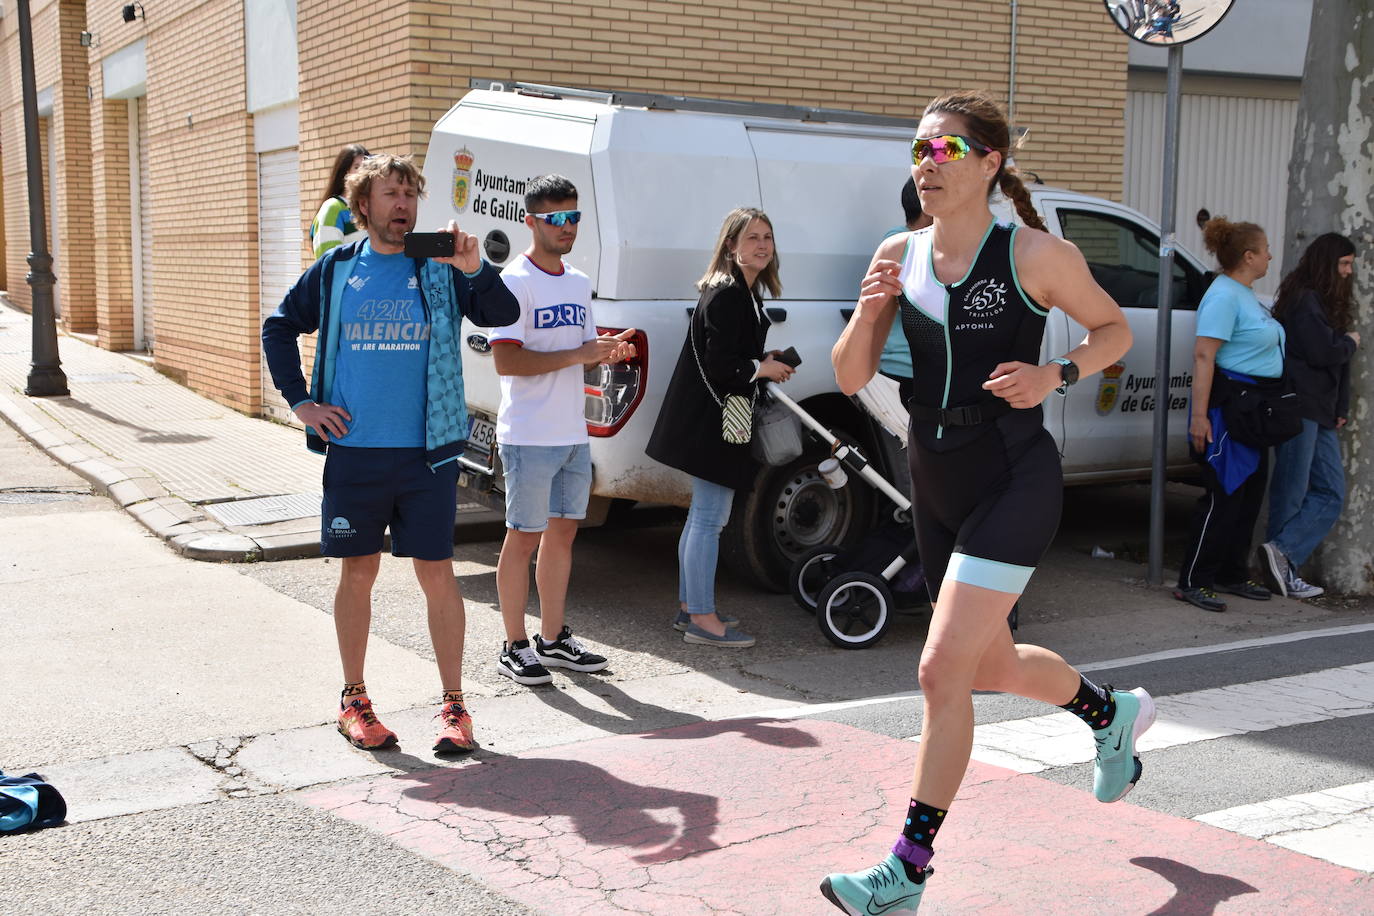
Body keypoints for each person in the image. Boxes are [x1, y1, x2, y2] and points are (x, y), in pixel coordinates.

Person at [821, 91, 1144, 915]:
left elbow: (1114, 332)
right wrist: (869, 309)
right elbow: (852, 375)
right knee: (989, 664)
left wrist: (1056, 375)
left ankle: (906, 872)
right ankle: (1109, 714)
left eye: (947, 152)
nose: (928, 165)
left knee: (940, 670)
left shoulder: (1035, 254)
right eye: (920, 151)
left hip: (1012, 474)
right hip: (934, 478)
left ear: (990, 164)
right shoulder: (899, 250)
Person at [262, 154, 519, 753]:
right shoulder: (335, 270)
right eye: (390, 193)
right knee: (359, 570)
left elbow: (503, 315)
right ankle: (354, 701)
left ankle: (456, 708)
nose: (403, 204)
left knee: (437, 572)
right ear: (364, 206)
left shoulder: (439, 267)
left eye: (410, 194)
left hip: (427, 454)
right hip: (355, 452)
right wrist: (302, 403)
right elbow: (278, 326)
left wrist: (475, 268)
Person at [490, 175, 637, 686]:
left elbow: (579, 353)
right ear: (530, 221)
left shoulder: (576, 281)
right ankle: (513, 644)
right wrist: (580, 352)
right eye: (555, 218)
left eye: (573, 216)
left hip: (571, 434)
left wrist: (605, 350)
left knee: (563, 535)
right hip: (528, 435)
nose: (567, 226)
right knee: (523, 537)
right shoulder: (514, 281)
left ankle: (551, 640)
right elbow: (507, 362)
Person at [646, 207, 795, 648]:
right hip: (714, 423)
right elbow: (721, 364)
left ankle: (692, 608)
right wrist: (762, 368)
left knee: (702, 518)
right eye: (751, 238)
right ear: (731, 246)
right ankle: (702, 620)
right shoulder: (728, 293)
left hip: (716, 419)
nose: (762, 245)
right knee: (709, 520)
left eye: (767, 237)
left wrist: (762, 367)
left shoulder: (742, 291)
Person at [1173, 217, 1284, 613]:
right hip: (1229, 410)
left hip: (1255, 410)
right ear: (1249, 256)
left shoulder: (1243, 293)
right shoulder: (1223, 295)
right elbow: (1204, 355)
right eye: (1265, 248)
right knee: (1223, 497)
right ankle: (1193, 580)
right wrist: (1199, 417)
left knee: (1249, 496)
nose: (1271, 255)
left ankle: (1231, 573)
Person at [1259, 233, 1361, 599]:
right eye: (1344, 264)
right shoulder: (1305, 301)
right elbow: (1324, 352)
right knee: (1291, 490)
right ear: (1326, 264)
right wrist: (1350, 342)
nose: (1349, 272)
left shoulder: (1323, 302)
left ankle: (1282, 554)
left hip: (1320, 411)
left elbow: (1335, 363)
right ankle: (1282, 567)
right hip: (1299, 407)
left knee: (1330, 492)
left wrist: (1339, 409)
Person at [309, 143, 370, 259]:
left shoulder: (371, 209)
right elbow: (328, 262)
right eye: (357, 167)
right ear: (344, 172)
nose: (363, 173)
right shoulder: (333, 208)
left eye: (366, 168)